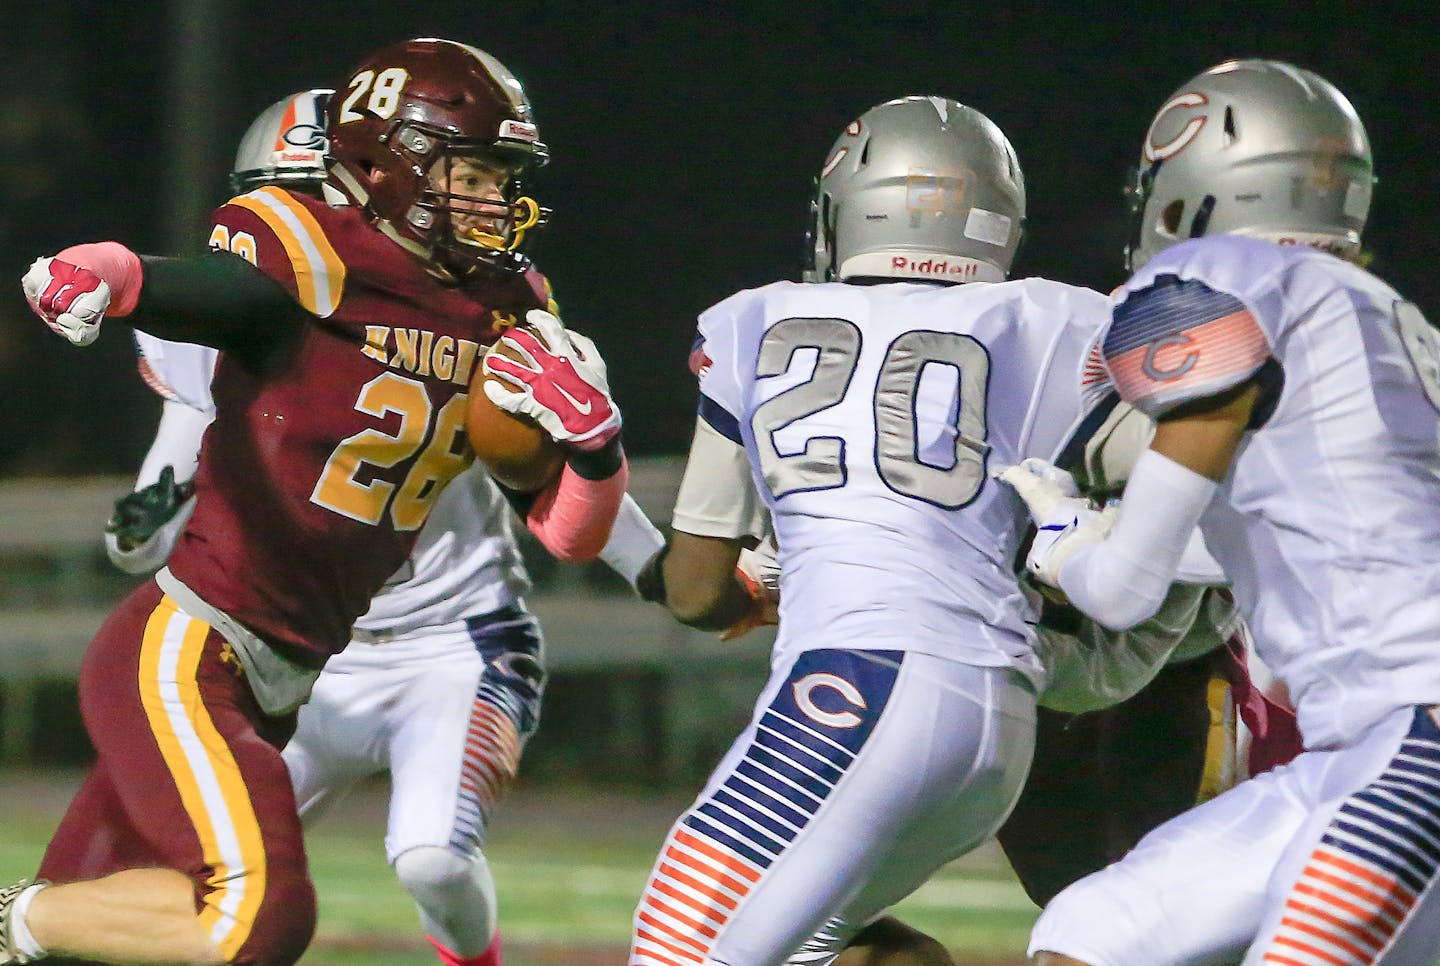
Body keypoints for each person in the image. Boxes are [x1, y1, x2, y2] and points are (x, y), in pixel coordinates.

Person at [3, 38, 630, 966]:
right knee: (257, 920)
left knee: (107, 934)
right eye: (474, 172)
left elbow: (569, 535)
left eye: (505, 176)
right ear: (391, 160)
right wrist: (100, 270)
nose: (498, 198)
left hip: (283, 676)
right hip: (188, 649)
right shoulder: (310, 249)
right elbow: (197, 291)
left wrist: (598, 448)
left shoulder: (505, 302)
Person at [626, 94, 1119, 966]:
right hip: (1002, 716)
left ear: (849, 207)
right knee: (828, 945)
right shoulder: (1059, 321)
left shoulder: (752, 322)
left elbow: (697, 591)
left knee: (679, 946)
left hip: (858, 684)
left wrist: (748, 583)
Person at [1001, 59, 1440, 964]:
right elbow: (1298, 533)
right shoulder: (1393, 322)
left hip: (1415, 735)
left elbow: (1123, 593)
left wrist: (1066, 534)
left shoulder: (1211, 281)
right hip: (1358, 748)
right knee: (1089, 932)